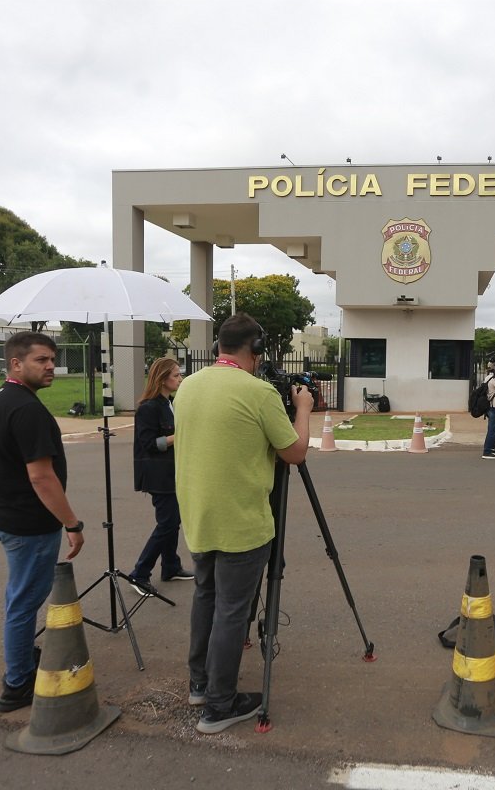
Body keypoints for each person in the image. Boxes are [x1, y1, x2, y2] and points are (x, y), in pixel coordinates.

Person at [174, 313, 312, 734]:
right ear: (254, 350)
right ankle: (219, 704)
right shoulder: (259, 392)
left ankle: (201, 683)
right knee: (232, 611)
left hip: (199, 515)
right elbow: (294, 452)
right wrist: (303, 408)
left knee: (206, 598)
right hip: (242, 521)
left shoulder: (187, 387)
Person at [0, 332, 85, 713]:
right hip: (27, 523)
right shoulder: (27, 410)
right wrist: (72, 523)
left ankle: (22, 657)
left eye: (52, 359)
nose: (50, 366)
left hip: (4, 514)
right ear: (16, 363)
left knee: (18, 597)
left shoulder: (0, 399)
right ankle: (17, 684)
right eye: (41, 360)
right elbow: (41, 477)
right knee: (24, 602)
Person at [127, 357, 193, 596]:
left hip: (172, 472)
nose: (179, 378)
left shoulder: (169, 403)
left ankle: (171, 566)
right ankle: (139, 573)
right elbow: (148, 444)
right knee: (167, 523)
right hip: (157, 475)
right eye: (176, 375)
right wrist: (180, 435)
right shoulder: (148, 407)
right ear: (162, 378)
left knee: (172, 521)